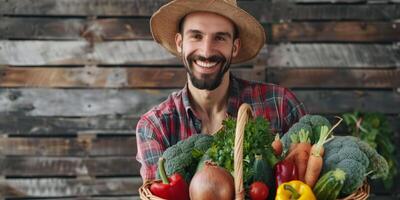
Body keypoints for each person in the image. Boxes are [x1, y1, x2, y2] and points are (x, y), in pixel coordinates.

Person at [136, 0, 306, 181]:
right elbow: (158, 191)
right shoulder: (155, 126)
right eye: (196, 36)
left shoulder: (280, 104)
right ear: (179, 43)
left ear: (234, 47)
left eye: (220, 38)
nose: (207, 51)